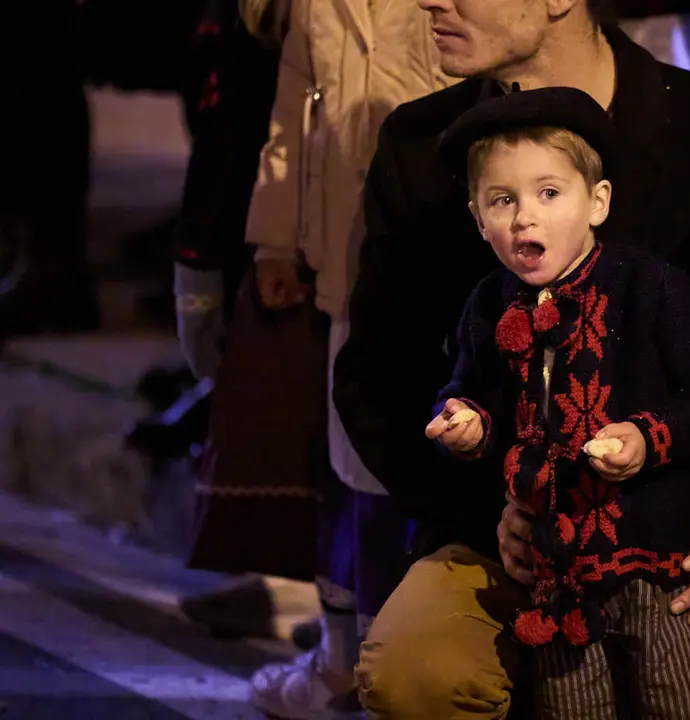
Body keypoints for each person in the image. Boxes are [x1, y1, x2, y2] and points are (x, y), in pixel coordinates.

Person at [333, 0, 690, 717]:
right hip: (511, 538)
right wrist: (493, 503)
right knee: (418, 673)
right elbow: (378, 378)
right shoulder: (421, 147)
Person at [425, 85, 690, 718]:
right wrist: (467, 423)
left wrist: (648, 436)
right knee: (571, 705)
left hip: (654, 559)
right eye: (502, 200)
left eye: (549, 194)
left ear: (596, 201)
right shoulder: (488, 305)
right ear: (476, 217)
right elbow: (471, 391)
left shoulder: (646, 285)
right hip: (557, 569)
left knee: (682, 698)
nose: (525, 218)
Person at [235, 0, 454, 716]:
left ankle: (393, 665)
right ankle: (345, 662)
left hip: (440, 257)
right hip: (345, 259)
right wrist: (275, 237)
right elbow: (294, 114)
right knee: (350, 465)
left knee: (411, 466)